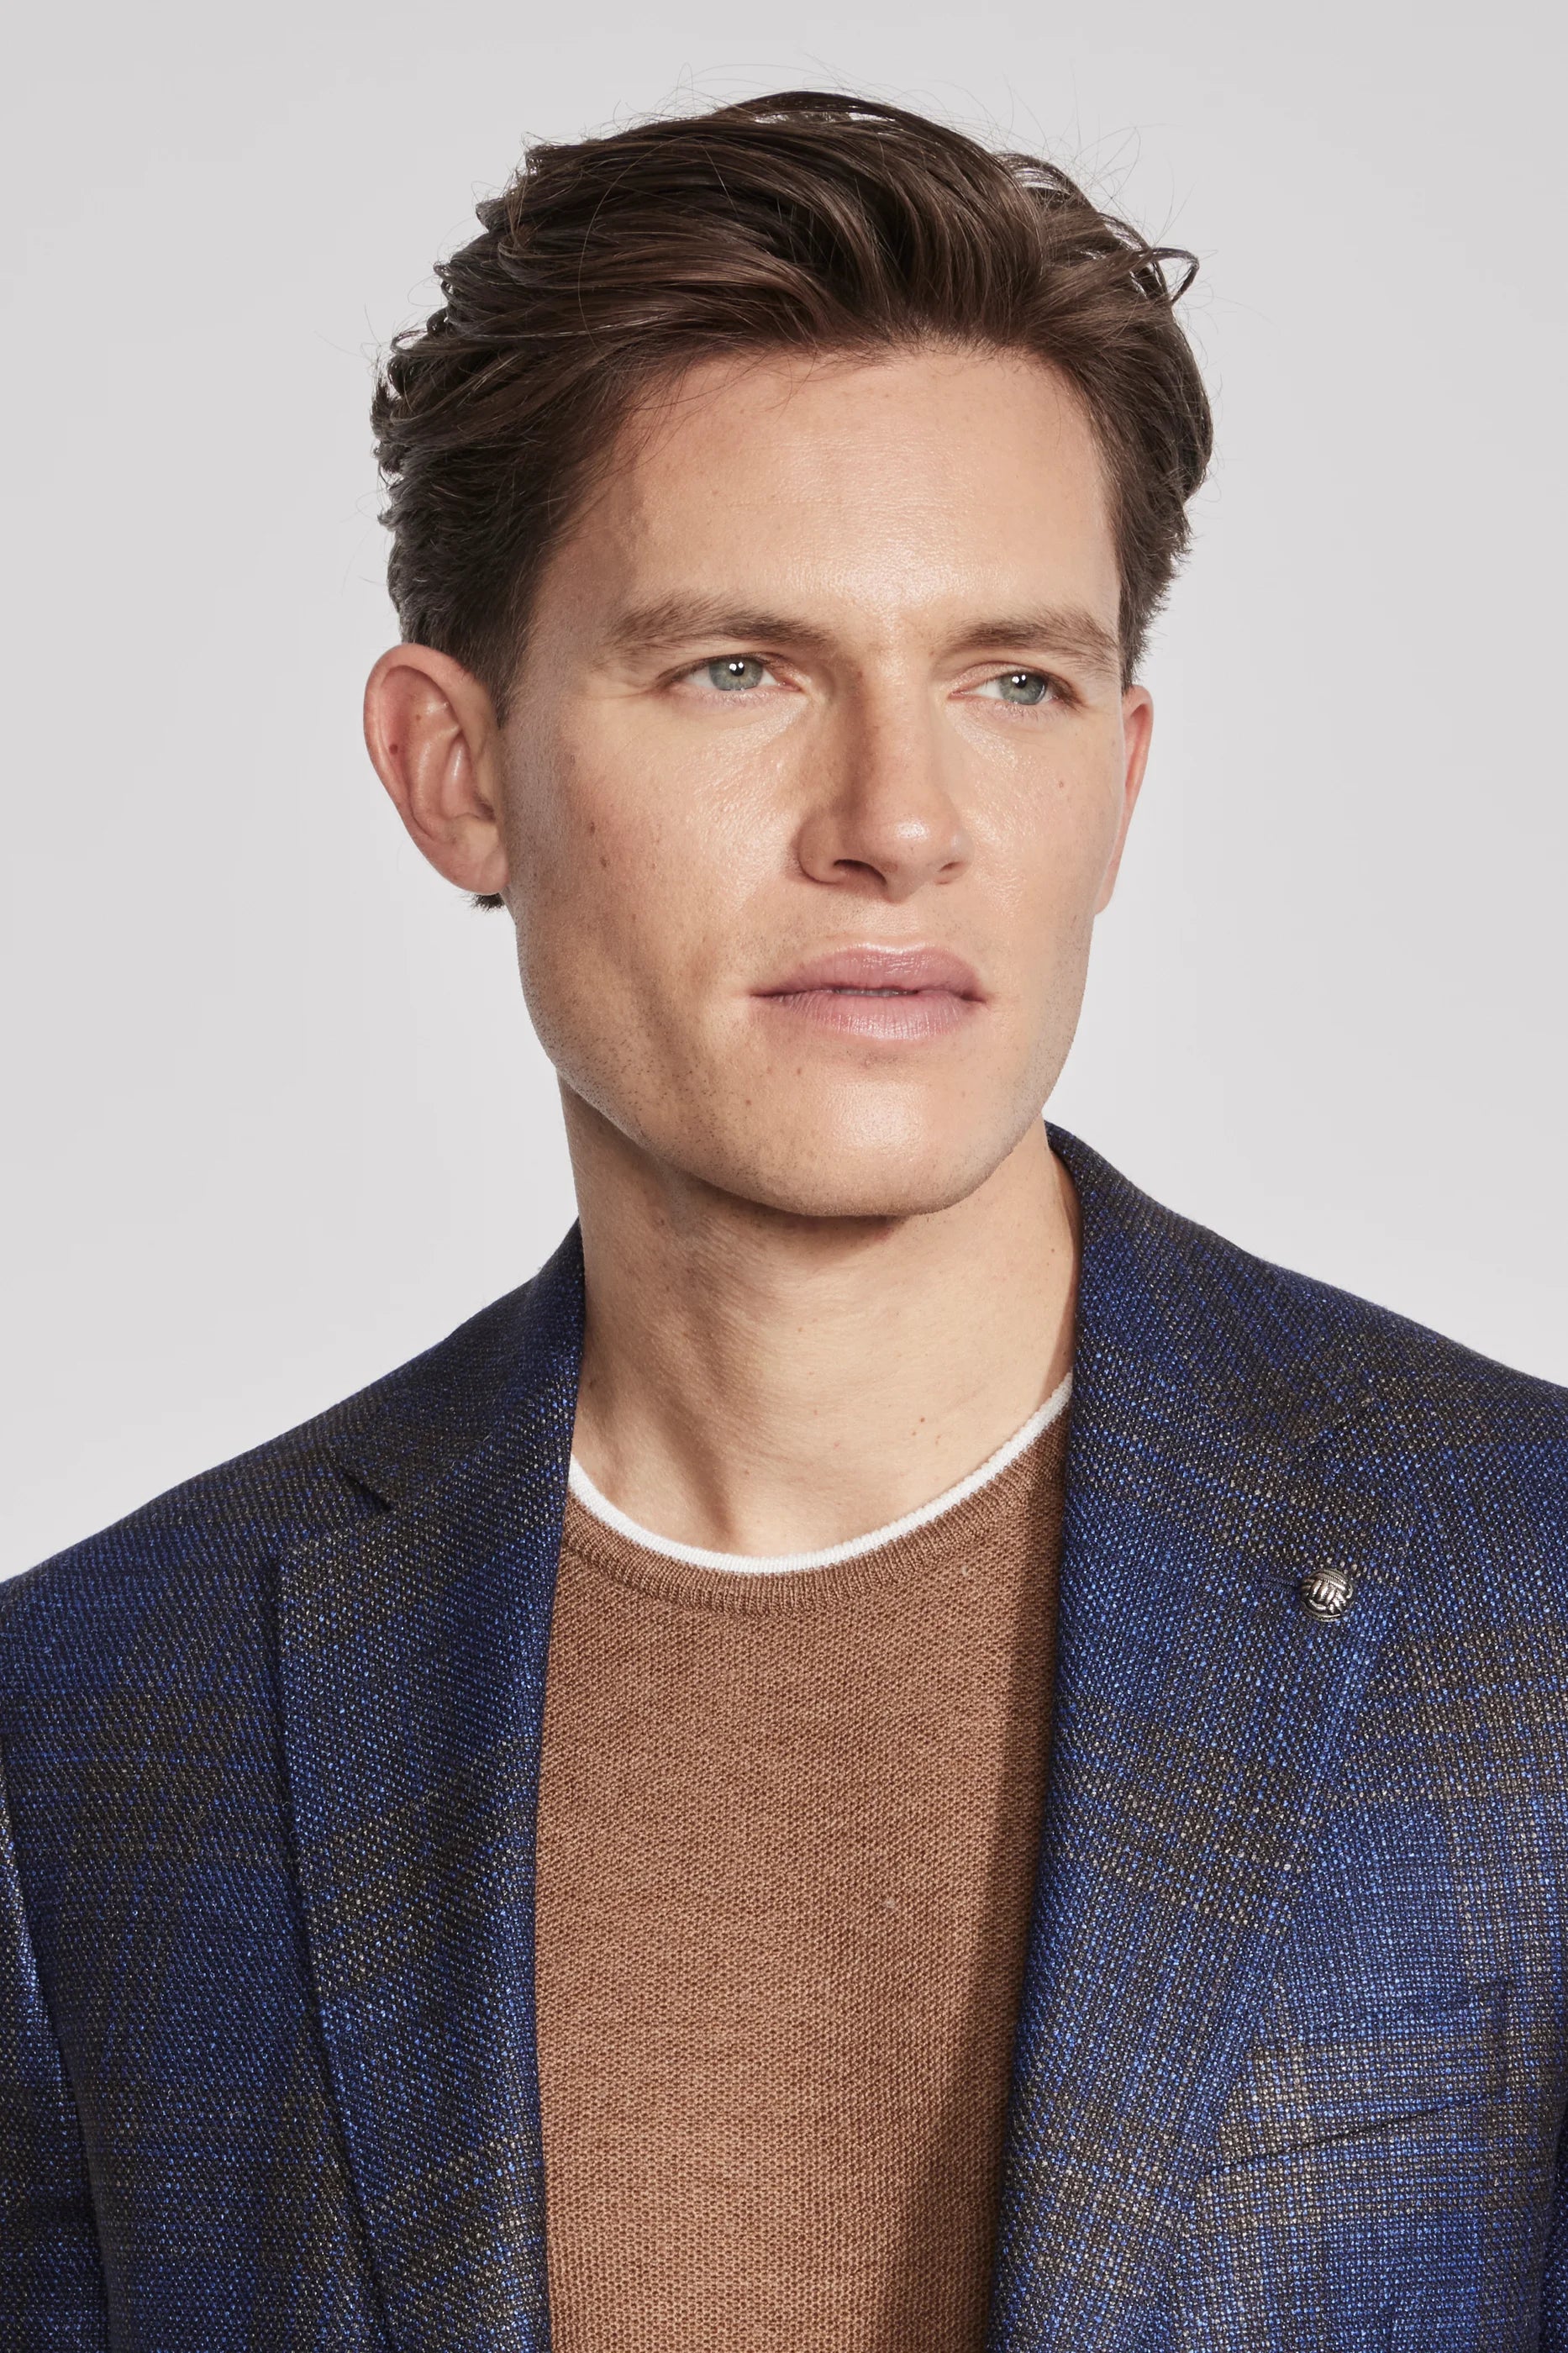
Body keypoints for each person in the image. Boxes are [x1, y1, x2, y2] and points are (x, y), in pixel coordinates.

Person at [2, 87, 1565, 2353]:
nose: (895, 822)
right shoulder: (92, 1727)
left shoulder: (1529, 1607)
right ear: (458, 772)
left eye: (1010, 682)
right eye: (738, 668)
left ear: (1118, 779)